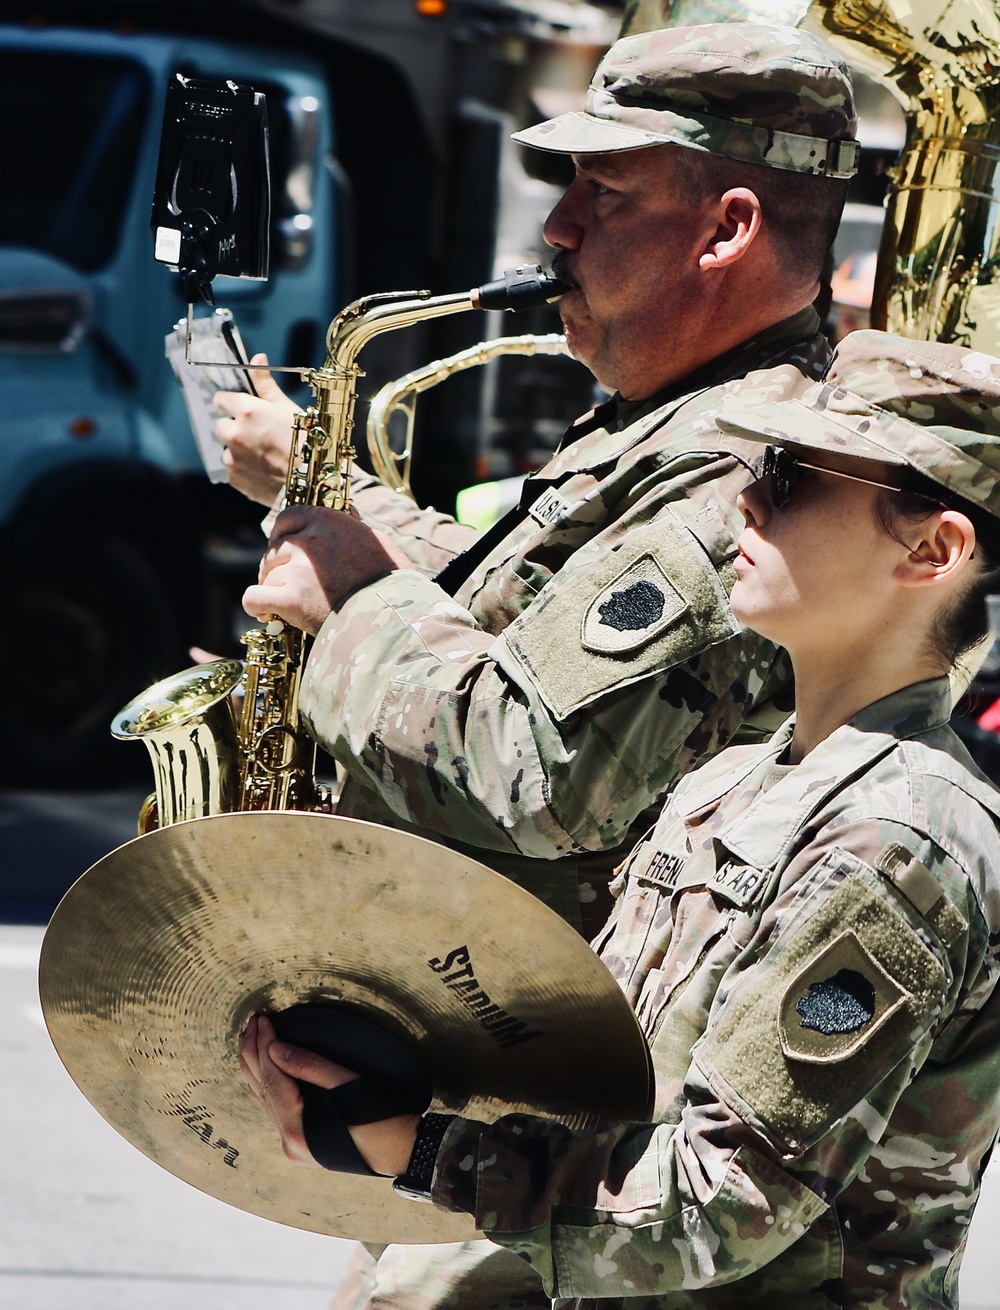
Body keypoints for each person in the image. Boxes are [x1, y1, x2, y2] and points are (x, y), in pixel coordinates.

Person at [222, 21, 858, 1310]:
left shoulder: (743, 456)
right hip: (526, 1066)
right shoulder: (673, 414)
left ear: (727, 227)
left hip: (602, 1117)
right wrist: (345, 510)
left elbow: (534, 765)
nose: (555, 228)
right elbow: (533, 620)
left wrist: (345, 606)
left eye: (600, 191)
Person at [240, 329, 1000, 1307]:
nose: (746, 500)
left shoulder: (896, 838)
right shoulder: (741, 776)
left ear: (933, 549)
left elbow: (715, 1207)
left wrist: (414, 1147)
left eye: (797, 477)